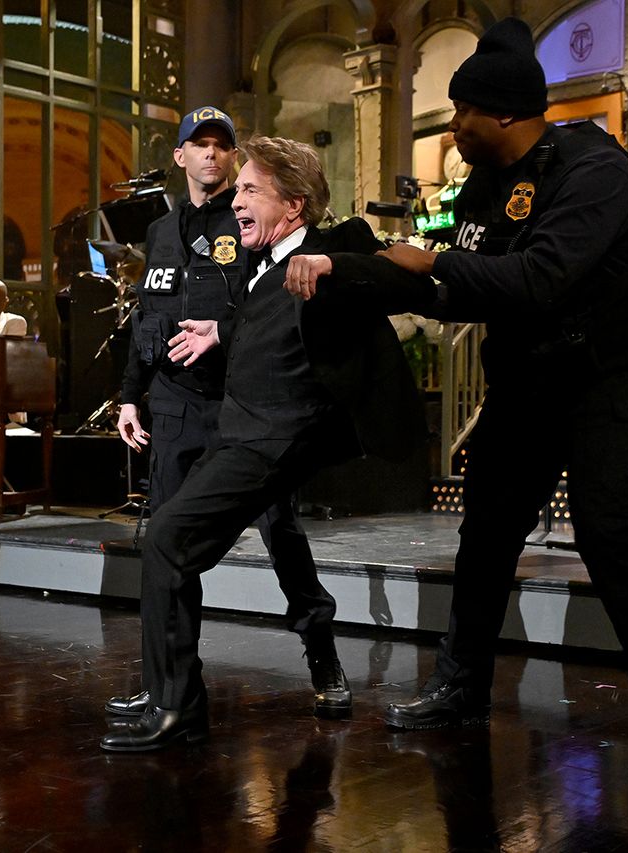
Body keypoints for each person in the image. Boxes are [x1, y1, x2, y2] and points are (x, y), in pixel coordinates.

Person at [283, 19, 628, 810]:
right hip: (527, 382)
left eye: (461, 116)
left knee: (611, 538)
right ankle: (462, 685)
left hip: (609, 381)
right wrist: (335, 266)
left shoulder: (596, 171)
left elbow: (536, 278)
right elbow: (428, 272)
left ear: (505, 114)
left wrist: (437, 263)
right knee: (485, 533)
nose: (452, 131)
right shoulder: (485, 188)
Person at [100, 135, 430, 752]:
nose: (238, 200)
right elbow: (261, 315)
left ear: (294, 207)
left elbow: (410, 274)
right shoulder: (264, 269)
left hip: (275, 439)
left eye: (251, 190)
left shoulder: (327, 254)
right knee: (168, 537)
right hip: (236, 431)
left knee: (173, 539)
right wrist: (220, 329)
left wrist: (341, 263)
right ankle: (169, 698)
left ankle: (184, 709)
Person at [106, 107, 350, 722]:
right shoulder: (161, 232)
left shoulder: (253, 222)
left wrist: (225, 327)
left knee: (282, 534)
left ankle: (322, 653)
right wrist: (130, 394)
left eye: (224, 147)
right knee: (166, 536)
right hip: (176, 405)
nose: (213, 156)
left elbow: (274, 296)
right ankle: (169, 682)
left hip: (242, 407)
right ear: (182, 156)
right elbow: (145, 315)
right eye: (201, 145)